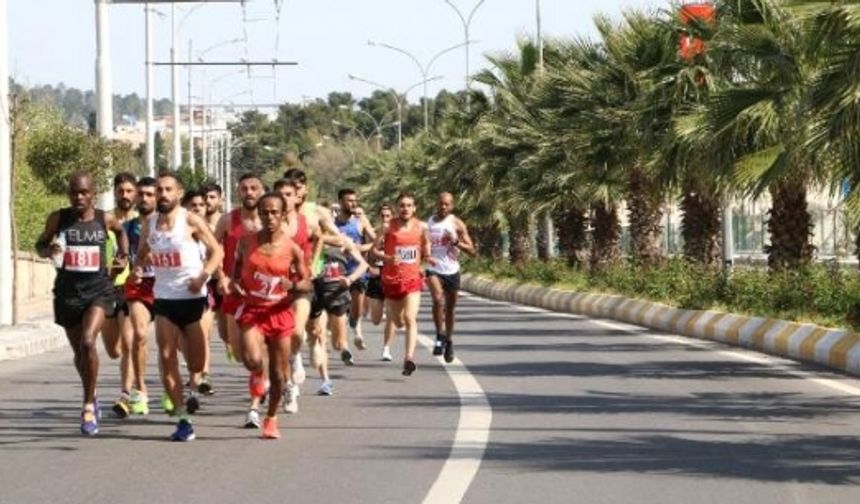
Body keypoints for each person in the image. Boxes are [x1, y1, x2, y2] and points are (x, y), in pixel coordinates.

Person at [35, 172, 129, 435]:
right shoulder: (59, 218)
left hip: (98, 291)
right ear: (69, 194)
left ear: (93, 194)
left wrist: (123, 256)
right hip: (67, 294)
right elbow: (40, 244)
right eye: (74, 192)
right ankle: (93, 392)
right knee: (80, 354)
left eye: (84, 192)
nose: (79, 197)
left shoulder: (104, 219)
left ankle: (87, 405)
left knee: (89, 341)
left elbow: (121, 233)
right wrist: (47, 251)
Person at [134, 173, 223, 442]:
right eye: (158, 190)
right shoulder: (149, 224)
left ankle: (194, 384)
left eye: (167, 190)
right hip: (164, 299)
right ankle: (183, 418)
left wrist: (203, 276)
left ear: (179, 193)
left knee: (195, 363)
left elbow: (216, 251)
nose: (162, 194)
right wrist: (138, 269)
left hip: (192, 298)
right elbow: (141, 254)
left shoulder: (190, 220)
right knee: (166, 354)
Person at [232, 193, 311, 438]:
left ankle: (271, 417)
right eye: (264, 212)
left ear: (283, 214)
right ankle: (257, 374)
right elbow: (235, 272)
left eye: (275, 212)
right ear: (259, 213)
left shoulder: (291, 248)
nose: (269, 217)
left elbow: (307, 282)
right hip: (253, 311)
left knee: (278, 374)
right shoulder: (245, 242)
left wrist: (294, 286)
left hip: (279, 312)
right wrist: (235, 284)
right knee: (252, 359)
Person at [213, 173, 266, 427]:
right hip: (234, 294)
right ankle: (261, 375)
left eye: (254, 188)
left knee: (256, 351)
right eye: (244, 188)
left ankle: (254, 405)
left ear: (262, 191)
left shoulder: (271, 222)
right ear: (238, 191)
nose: (249, 192)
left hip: (264, 295)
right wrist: (221, 276)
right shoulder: (227, 220)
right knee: (241, 353)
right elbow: (213, 251)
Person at [373, 192, 434, 375]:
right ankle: (394, 320)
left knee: (410, 318)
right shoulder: (387, 227)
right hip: (391, 280)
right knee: (398, 322)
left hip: (412, 279)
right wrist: (388, 258)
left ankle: (409, 358)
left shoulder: (421, 227)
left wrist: (426, 261)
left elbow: (426, 248)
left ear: (414, 208)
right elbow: (374, 250)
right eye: (402, 205)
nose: (405, 209)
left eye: (409, 205)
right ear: (397, 208)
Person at [309, 235, 369, 395]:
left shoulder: (343, 241)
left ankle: (343, 349)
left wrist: (350, 279)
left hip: (338, 295)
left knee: (338, 343)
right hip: (316, 294)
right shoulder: (308, 239)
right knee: (319, 335)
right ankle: (325, 381)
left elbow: (363, 265)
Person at [101, 172, 138, 418]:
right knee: (113, 350)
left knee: (128, 343)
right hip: (105, 287)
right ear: (115, 192)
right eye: (120, 191)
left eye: (129, 191)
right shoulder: (105, 220)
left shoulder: (141, 222)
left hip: (130, 289)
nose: (125, 195)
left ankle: (126, 395)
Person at [122, 176, 158, 416]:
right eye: (141, 194)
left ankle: (188, 383)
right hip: (138, 286)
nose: (144, 198)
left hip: (168, 287)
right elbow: (120, 254)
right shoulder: (126, 228)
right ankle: (140, 389)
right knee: (140, 334)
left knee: (174, 346)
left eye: (149, 194)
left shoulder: (172, 225)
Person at [426, 192, 476, 363]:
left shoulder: (456, 223)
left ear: (452, 206)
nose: (443, 207)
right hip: (434, 268)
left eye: (447, 204)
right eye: (440, 203)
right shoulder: (428, 223)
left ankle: (449, 341)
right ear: (436, 203)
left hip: (452, 270)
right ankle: (439, 334)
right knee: (437, 299)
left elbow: (472, 251)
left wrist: (455, 243)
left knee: (450, 309)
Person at [334, 189, 376, 355]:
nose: (353, 203)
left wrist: (360, 247)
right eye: (349, 200)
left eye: (354, 200)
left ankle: (354, 321)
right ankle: (344, 346)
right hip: (339, 270)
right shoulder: (333, 223)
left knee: (357, 309)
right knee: (341, 308)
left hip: (358, 270)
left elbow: (375, 243)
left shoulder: (361, 221)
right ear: (341, 202)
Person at [183, 190, 216, 399]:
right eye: (192, 205)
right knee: (183, 341)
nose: (197, 208)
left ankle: (200, 379)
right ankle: (195, 374)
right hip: (178, 291)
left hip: (205, 289)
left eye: (201, 205)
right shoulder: (177, 230)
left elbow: (218, 254)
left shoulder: (211, 231)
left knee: (202, 334)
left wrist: (206, 271)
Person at [366, 203, 393, 326]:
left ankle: (387, 345)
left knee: (393, 315)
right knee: (376, 320)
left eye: (388, 216)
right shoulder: (371, 233)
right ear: (378, 217)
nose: (385, 218)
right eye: (382, 216)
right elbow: (370, 256)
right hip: (376, 276)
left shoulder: (398, 233)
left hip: (392, 275)